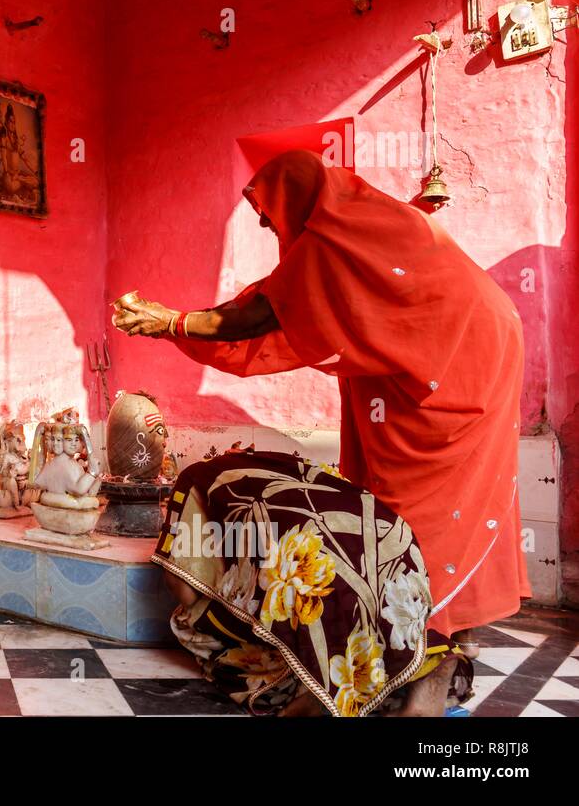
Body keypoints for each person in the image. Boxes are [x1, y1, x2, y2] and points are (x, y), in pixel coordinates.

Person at [112, 150, 529, 714]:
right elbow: (280, 302)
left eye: (267, 213)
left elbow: (262, 315)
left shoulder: (337, 237)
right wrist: (178, 325)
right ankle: (416, 646)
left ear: (295, 197)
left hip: (456, 365)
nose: (265, 225)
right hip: (467, 348)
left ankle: (422, 647)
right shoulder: (362, 223)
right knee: (395, 507)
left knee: (414, 511)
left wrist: (171, 322)